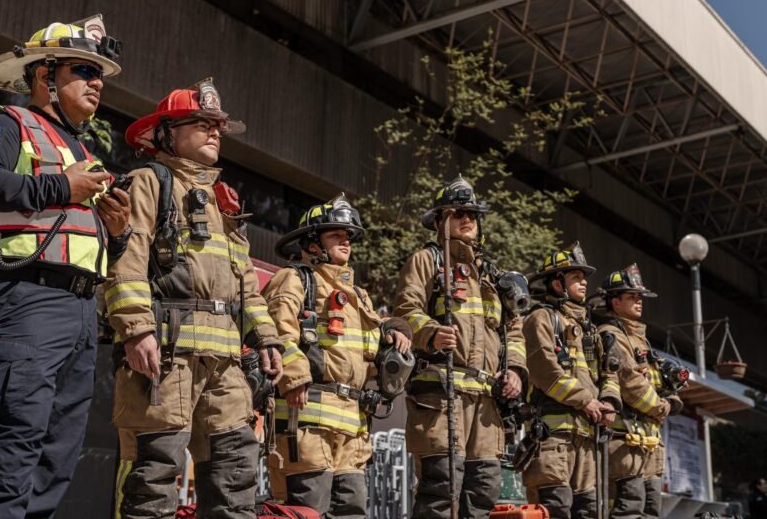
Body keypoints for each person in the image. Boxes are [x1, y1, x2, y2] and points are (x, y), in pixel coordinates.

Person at [0, 15, 129, 518]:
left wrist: (118, 229)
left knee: (58, 452)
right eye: (84, 70)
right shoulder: (7, 123)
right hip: (25, 302)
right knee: (16, 436)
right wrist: (63, 188)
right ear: (45, 76)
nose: (97, 83)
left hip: (80, 311)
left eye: (99, 74)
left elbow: (76, 239)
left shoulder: (81, 150)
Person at [104, 79, 289, 518]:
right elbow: (125, 263)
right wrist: (136, 330)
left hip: (225, 366)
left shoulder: (224, 202)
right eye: (201, 124)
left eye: (218, 126)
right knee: (155, 476)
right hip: (166, 359)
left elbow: (244, 280)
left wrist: (267, 339)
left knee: (235, 476)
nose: (214, 132)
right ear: (167, 133)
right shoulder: (148, 183)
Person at [261, 195, 412, 517]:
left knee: (352, 510)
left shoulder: (359, 297)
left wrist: (394, 333)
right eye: (335, 234)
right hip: (306, 421)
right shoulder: (294, 279)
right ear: (312, 243)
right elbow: (277, 332)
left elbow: (369, 342)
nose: (346, 240)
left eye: (348, 235)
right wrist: (294, 378)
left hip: (353, 424)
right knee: (307, 509)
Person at [393, 176, 527, 519]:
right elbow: (405, 311)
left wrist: (514, 370)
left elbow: (513, 328)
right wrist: (431, 332)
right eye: (457, 213)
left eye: (472, 213)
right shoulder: (427, 260)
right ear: (439, 221)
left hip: (485, 405)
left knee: (483, 491)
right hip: (441, 397)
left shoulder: (491, 276)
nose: (468, 219)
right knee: (441, 493)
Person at [521, 243, 621, 519]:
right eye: (575, 277)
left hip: (587, 438)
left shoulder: (589, 329)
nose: (584, 283)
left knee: (587, 510)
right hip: (553, 438)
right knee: (555, 509)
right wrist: (586, 400)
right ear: (556, 283)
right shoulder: (540, 318)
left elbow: (608, 373)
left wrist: (609, 401)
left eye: (584, 278)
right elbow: (544, 371)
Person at [594, 264, 682, 519]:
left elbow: (657, 380)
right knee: (627, 510)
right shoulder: (611, 334)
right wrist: (661, 408)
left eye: (640, 297)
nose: (639, 302)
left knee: (651, 511)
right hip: (625, 443)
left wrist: (672, 397)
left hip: (649, 444)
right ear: (614, 302)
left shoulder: (640, 340)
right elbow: (631, 383)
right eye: (632, 296)